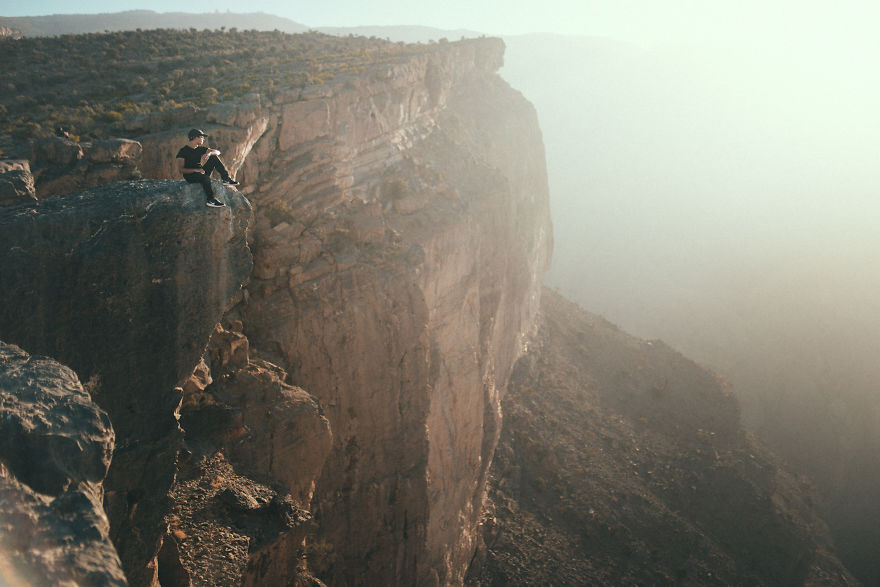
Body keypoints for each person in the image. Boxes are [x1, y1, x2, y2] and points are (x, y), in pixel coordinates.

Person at [176, 128, 239, 208]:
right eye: (202, 137)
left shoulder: (199, 149)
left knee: (214, 157)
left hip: (201, 172)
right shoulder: (183, 151)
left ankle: (226, 179)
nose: (203, 139)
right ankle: (211, 200)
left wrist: (209, 154)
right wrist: (196, 170)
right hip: (191, 176)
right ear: (195, 137)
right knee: (205, 178)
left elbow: (217, 152)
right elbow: (181, 170)